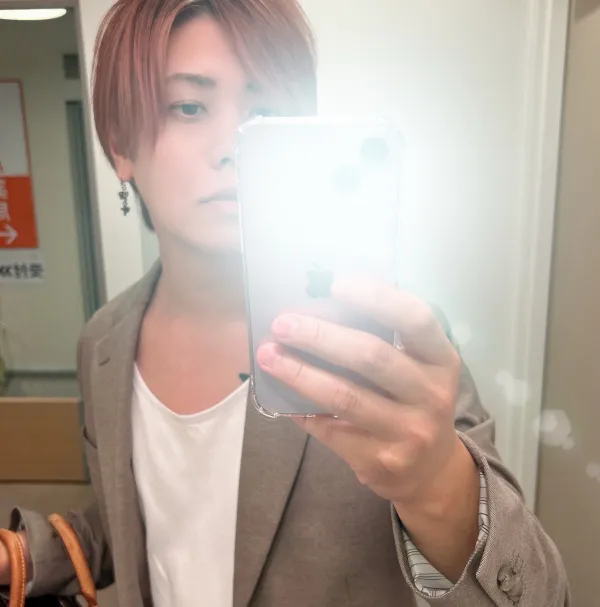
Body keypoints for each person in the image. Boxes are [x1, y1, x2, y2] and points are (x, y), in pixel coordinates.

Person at [0, 0, 569, 605]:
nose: (232, 146)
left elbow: (541, 595)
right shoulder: (105, 341)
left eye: (266, 113)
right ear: (119, 145)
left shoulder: (382, 337)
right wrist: (24, 556)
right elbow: (143, 521)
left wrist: (439, 487)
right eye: (188, 106)